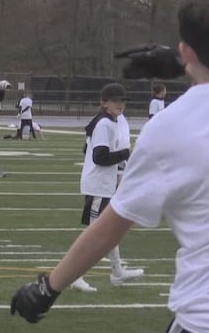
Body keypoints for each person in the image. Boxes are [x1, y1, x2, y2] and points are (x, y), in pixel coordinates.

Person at [10, 0, 209, 332]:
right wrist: (189, 61)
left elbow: (109, 229)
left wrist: (48, 287)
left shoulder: (167, 129)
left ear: (186, 48)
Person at [67, 83, 143, 293]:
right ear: (104, 103)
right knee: (95, 234)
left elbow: (89, 148)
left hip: (107, 184)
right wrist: (128, 153)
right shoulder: (104, 124)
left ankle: (117, 271)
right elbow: (99, 157)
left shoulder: (115, 121)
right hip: (98, 186)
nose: (120, 104)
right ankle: (76, 276)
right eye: (115, 100)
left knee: (108, 231)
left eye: (122, 101)